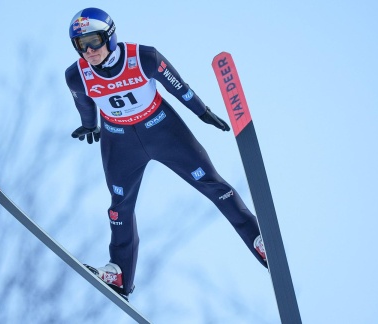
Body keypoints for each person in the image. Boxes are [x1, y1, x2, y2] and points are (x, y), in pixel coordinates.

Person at [65, 7, 267, 300]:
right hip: (120, 141)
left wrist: (203, 112)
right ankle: (120, 274)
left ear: (109, 36)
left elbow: (179, 88)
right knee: (118, 207)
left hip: (162, 130)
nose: (89, 50)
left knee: (211, 183)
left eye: (93, 40)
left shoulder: (143, 57)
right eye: (80, 44)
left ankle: (260, 242)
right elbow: (84, 103)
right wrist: (88, 126)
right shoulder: (76, 75)